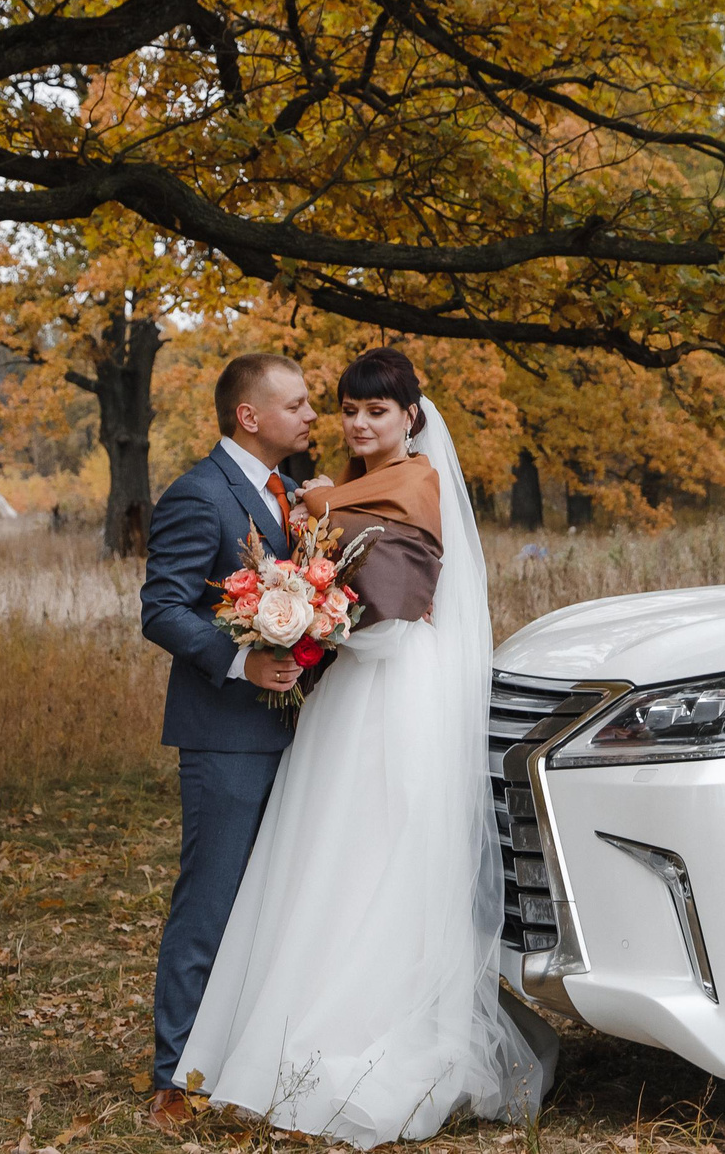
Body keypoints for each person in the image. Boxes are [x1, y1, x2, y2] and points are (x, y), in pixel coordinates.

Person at [176, 347, 552, 1145]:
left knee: (382, 846)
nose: (354, 422)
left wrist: (319, 604)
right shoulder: (326, 491)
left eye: (375, 410)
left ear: (411, 416)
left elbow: (398, 598)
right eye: (347, 408)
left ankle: (371, 1026)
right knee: (326, 851)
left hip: (393, 684)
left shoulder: (413, 480)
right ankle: (288, 1014)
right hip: (344, 689)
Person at [138, 352, 316, 1130]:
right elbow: (162, 608)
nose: (313, 416)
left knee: (273, 900)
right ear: (251, 415)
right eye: (299, 404)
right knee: (209, 901)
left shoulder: (290, 499)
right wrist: (243, 659)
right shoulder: (198, 493)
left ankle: (243, 1051)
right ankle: (171, 1074)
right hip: (225, 734)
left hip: (296, 732)